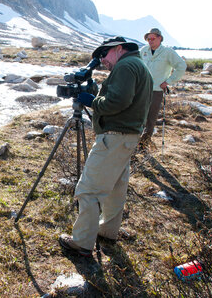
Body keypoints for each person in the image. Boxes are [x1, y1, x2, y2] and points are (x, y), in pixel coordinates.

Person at [58, 36, 153, 257]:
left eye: (104, 54)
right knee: (115, 189)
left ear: (119, 49)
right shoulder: (138, 65)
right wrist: (97, 94)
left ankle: (82, 242)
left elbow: (118, 102)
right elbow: (123, 99)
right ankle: (108, 230)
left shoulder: (126, 65)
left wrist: (91, 101)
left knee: (89, 189)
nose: (102, 60)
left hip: (115, 137)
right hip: (127, 137)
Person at [139, 28, 186, 146]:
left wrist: (169, 81)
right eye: (148, 39)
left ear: (159, 38)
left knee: (151, 118)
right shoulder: (143, 50)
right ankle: (133, 143)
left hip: (157, 90)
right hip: (142, 89)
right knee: (138, 116)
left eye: (152, 38)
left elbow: (181, 66)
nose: (150, 41)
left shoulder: (168, 52)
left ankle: (143, 145)